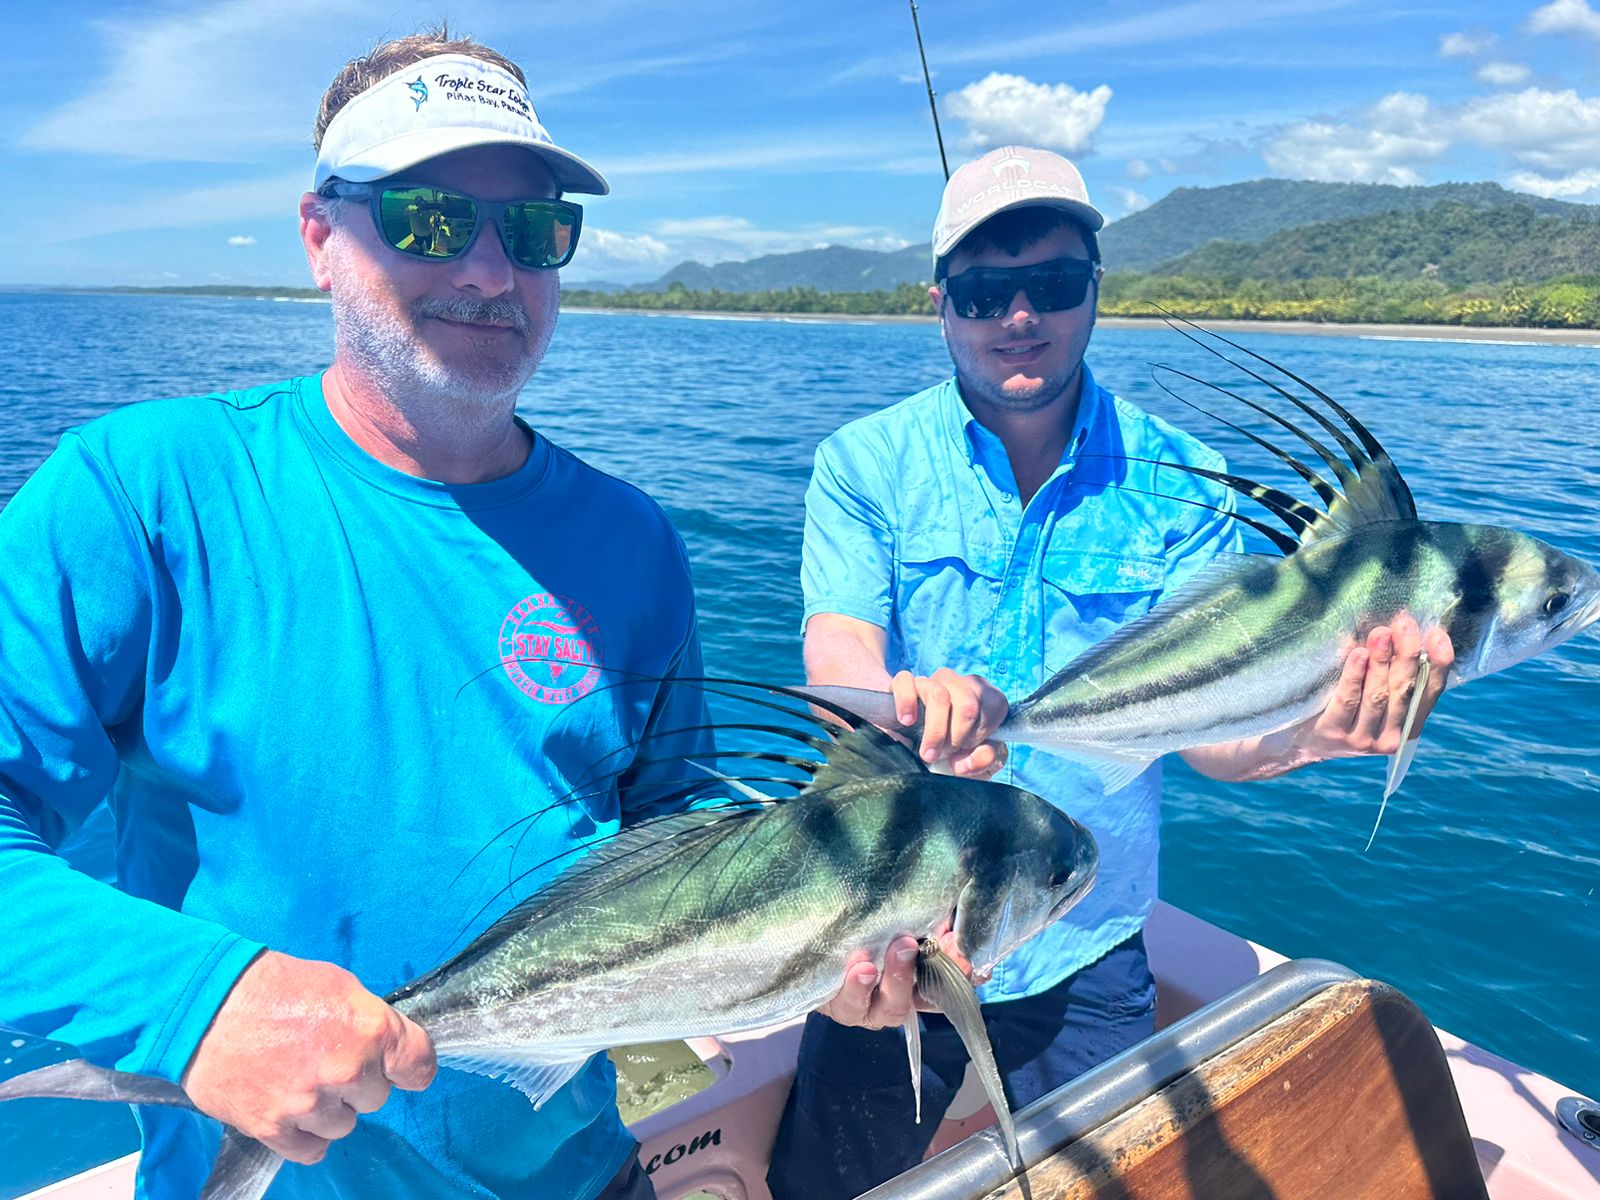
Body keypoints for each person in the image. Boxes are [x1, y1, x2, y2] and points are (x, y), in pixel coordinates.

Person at [0, 29, 735, 1200]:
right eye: (430, 219)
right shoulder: (140, 490)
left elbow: (682, 834)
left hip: (588, 1177)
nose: (492, 273)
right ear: (319, 239)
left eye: (537, 229)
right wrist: (196, 1005)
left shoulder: (633, 540)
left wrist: (838, 934)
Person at [766, 146, 1456, 1200]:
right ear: (939, 303)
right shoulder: (865, 464)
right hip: (897, 939)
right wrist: (898, 702)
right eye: (985, 291)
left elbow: (1216, 735)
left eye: (1052, 283)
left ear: (1096, 288)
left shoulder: (1188, 486)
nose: (1019, 316)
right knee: (826, 1188)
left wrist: (1310, 730)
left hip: (1085, 941)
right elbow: (837, 659)